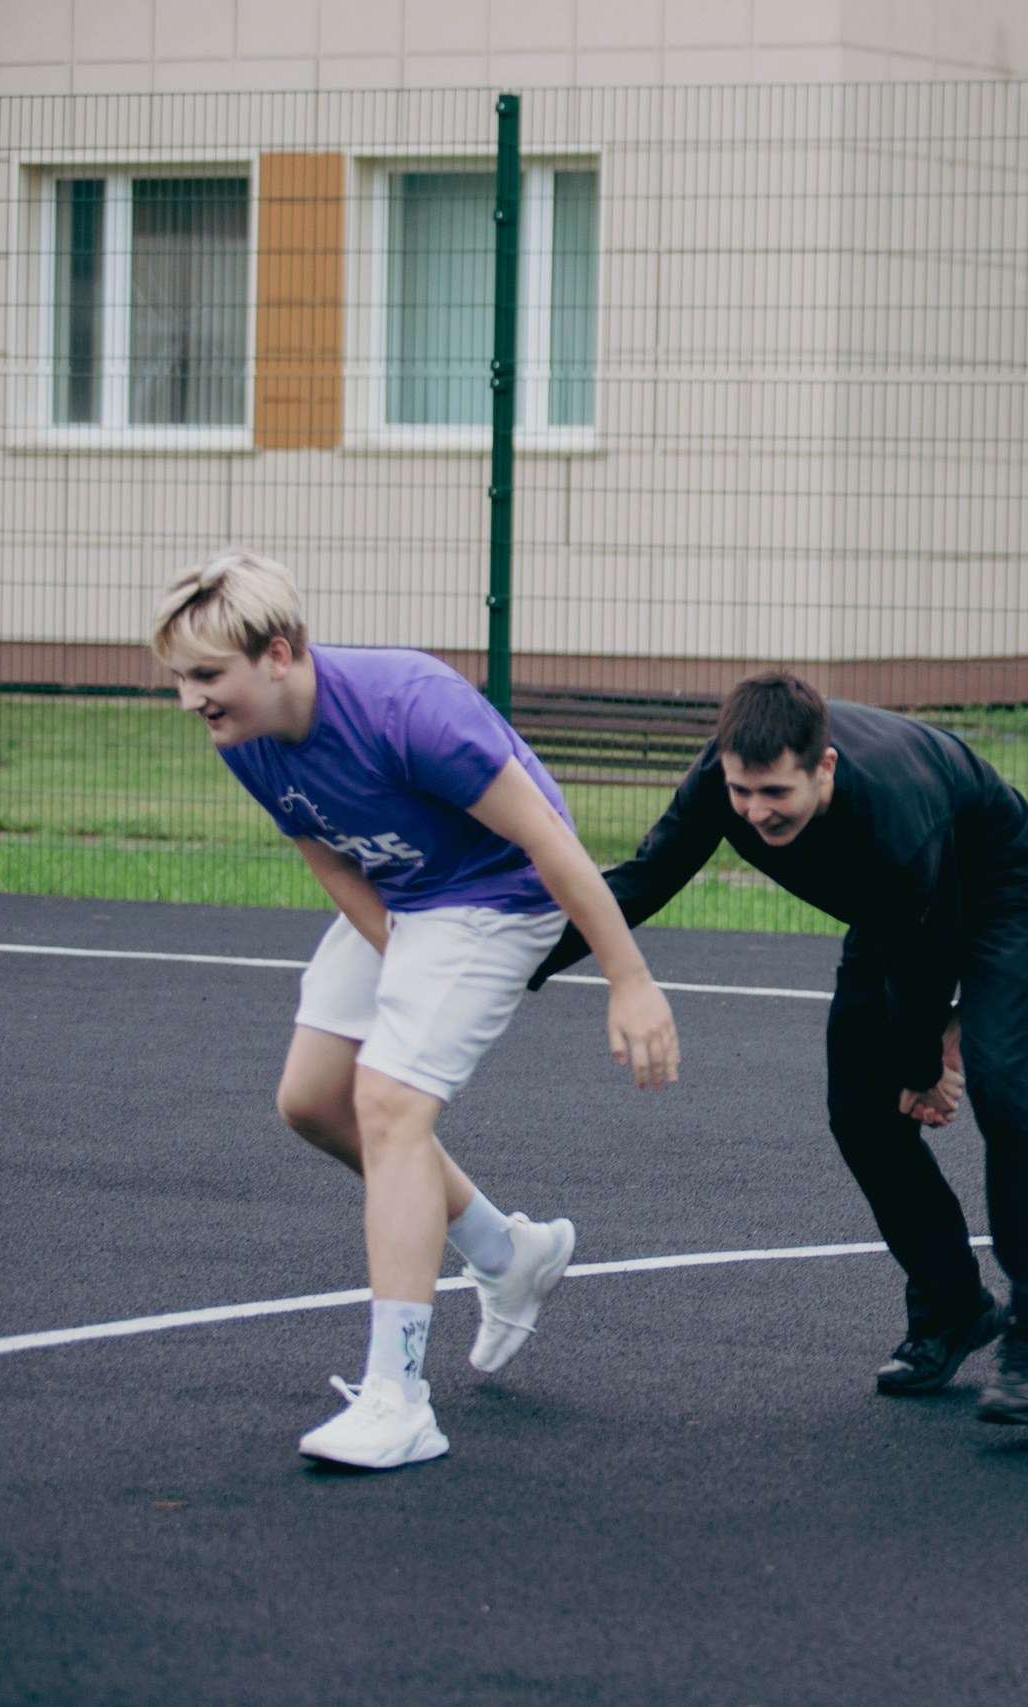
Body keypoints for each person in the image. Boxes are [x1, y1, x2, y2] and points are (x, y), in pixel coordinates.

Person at [152, 551, 681, 1471]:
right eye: (179, 679)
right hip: (407, 897)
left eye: (205, 675)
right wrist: (404, 963)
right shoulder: (246, 738)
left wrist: (627, 977)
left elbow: (549, 838)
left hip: (499, 893)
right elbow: (328, 857)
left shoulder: (406, 706)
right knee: (314, 1099)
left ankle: (399, 1396)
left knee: (391, 1102)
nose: (190, 699)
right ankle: (505, 1251)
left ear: (276, 654)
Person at [530, 674, 1028, 1425]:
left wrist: (925, 1067)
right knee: (859, 1111)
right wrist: (515, 964)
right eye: (741, 791)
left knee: (1005, 1083)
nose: (754, 812)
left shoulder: (891, 817)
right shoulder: (719, 784)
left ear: (824, 767)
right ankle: (953, 1305)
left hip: (993, 884)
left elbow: (924, 961)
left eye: (774, 793)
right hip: (895, 907)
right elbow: (643, 879)